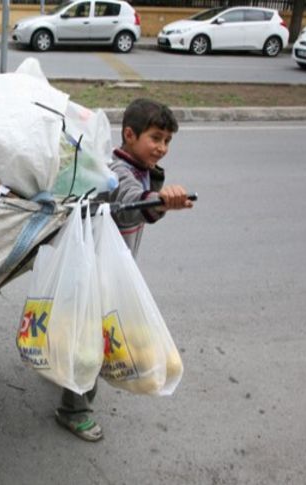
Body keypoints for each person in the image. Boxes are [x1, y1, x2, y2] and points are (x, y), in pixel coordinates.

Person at [54, 98, 194, 442]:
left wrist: (156, 195)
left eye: (167, 141)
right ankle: (74, 409)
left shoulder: (140, 168)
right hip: (97, 276)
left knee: (86, 338)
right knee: (92, 346)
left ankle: (64, 373)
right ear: (129, 135)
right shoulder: (117, 172)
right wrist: (159, 201)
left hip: (107, 271)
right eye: (156, 138)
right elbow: (129, 206)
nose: (162, 148)